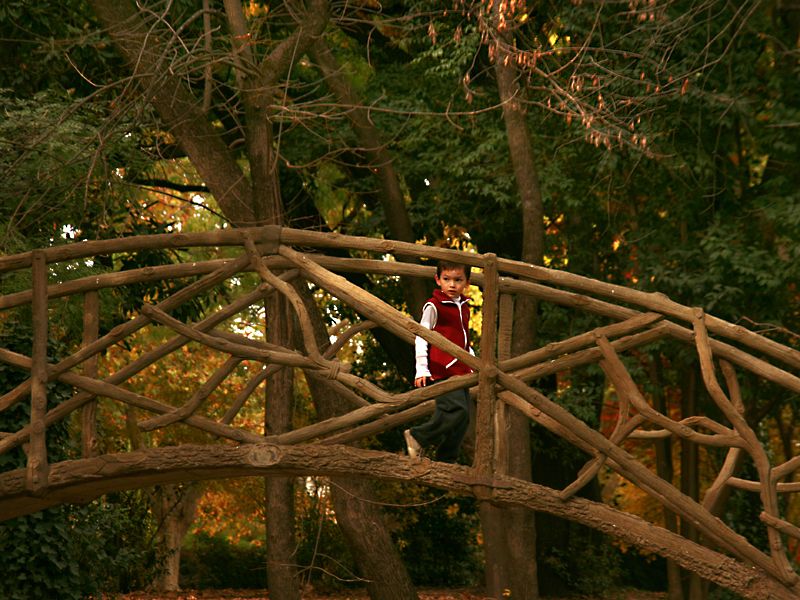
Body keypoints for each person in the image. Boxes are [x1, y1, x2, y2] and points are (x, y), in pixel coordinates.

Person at [404, 260, 474, 463]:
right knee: (455, 410)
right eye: (447, 279)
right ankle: (417, 436)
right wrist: (422, 369)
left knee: (464, 418)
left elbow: (463, 340)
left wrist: (473, 361)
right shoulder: (434, 306)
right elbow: (421, 336)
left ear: (467, 282)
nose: (452, 285)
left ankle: (446, 459)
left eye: (458, 280)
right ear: (438, 280)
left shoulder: (464, 307)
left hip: (461, 369)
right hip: (441, 368)